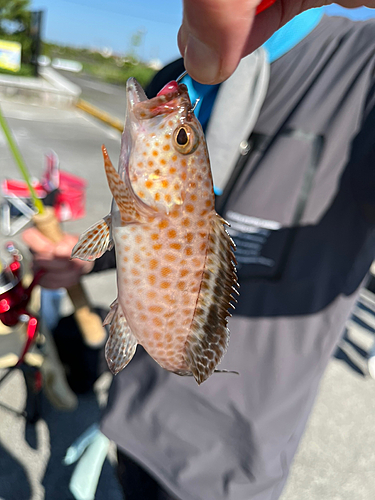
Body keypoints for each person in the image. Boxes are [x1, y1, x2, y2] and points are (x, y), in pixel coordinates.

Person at [23, 2, 375, 499]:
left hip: (234, 460)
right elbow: (145, 230)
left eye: (185, 136)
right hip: (132, 413)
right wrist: (82, 257)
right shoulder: (175, 78)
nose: (176, 112)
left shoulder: (364, 65)